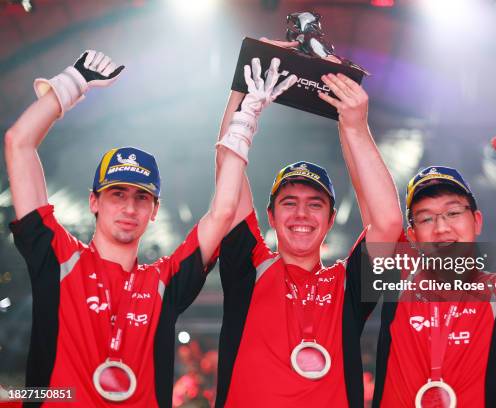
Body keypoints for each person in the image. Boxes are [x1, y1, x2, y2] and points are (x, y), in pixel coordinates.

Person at [4, 50, 250, 406]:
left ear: (154, 210)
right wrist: (70, 84)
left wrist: (244, 118)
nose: (129, 207)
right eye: (117, 194)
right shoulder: (59, 259)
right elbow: (18, 142)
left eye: (141, 198)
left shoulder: (164, 282)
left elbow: (224, 211)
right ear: (94, 202)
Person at [212, 50, 403, 406]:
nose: (302, 214)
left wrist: (355, 127)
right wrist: (244, 82)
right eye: (289, 202)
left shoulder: (348, 285)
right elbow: (227, 170)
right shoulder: (248, 268)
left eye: (315, 204)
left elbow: (389, 222)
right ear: (269, 215)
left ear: (331, 220)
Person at [372, 130, 496, 407]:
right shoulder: (395, 288)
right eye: (426, 218)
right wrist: (354, 122)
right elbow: (378, 211)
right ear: (412, 236)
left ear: (477, 221)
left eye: (453, 213)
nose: (442, 227)